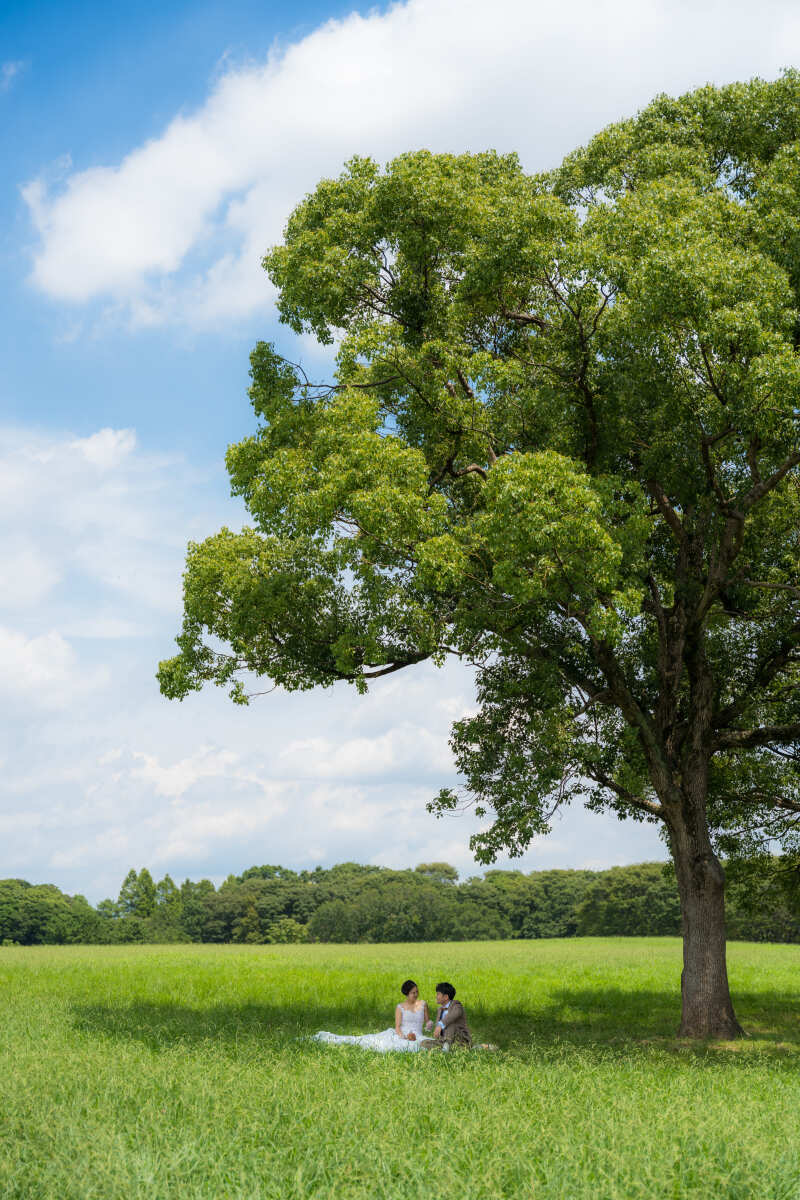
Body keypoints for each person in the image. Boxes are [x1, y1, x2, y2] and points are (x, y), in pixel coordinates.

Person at [311, 979, 432, 1053]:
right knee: (373, 1042)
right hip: (404, 1035)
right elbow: (398, 1027)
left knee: (430, 1046)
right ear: (407, 994)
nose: (416, 994)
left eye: (417, 992)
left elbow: (427, 1022)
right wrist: (404, 1037)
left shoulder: (423, 1004)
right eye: (413, 993)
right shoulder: (400, 1007)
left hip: (418, 1035)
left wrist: (429, 1024)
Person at [420, 982, 472, 1050]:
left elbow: (454, 1015)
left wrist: (440, 1025)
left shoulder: (456, 1005)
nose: (436, 996)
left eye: (438, 994)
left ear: (446, 997)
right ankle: (445, 1046)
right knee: (424, 1043)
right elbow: (439, 1031)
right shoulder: (440, 1010)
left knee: (450, 1023)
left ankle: (449, 1046)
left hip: (459, 1039)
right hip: (443, 1040)